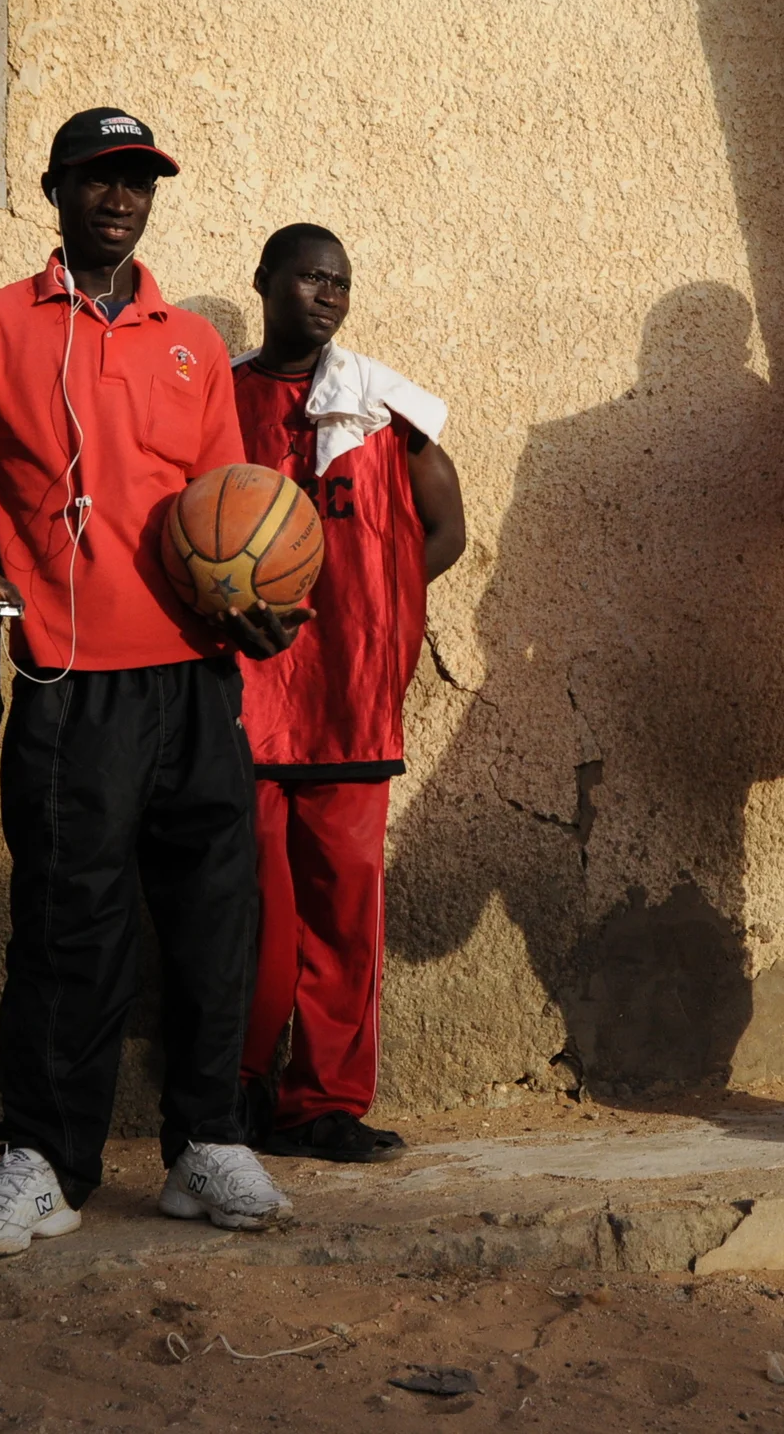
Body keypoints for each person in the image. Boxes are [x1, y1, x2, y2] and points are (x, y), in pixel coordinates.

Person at [0, 108, 303, 1257]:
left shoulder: (187, 340)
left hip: (194, 675)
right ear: (53, 190)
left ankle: (205, 1143)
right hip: (72, 676)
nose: (120, 195)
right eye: (98, 176)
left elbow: (226, 515)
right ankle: (42, 1156)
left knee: (210, 917)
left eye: (137, 179)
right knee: (65, 925)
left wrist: (255, 604)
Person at [231, 225, 465, 1163]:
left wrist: (380, 605)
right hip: (247, 695)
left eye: (340, 283)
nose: (326, 295)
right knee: (250, 909)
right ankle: (237, 1091)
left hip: (350, 698)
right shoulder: (221, 396)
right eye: (309, 277)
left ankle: (321, 1102)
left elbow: (441, 529)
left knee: (344, 910)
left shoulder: (383, 411)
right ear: (266, 284)